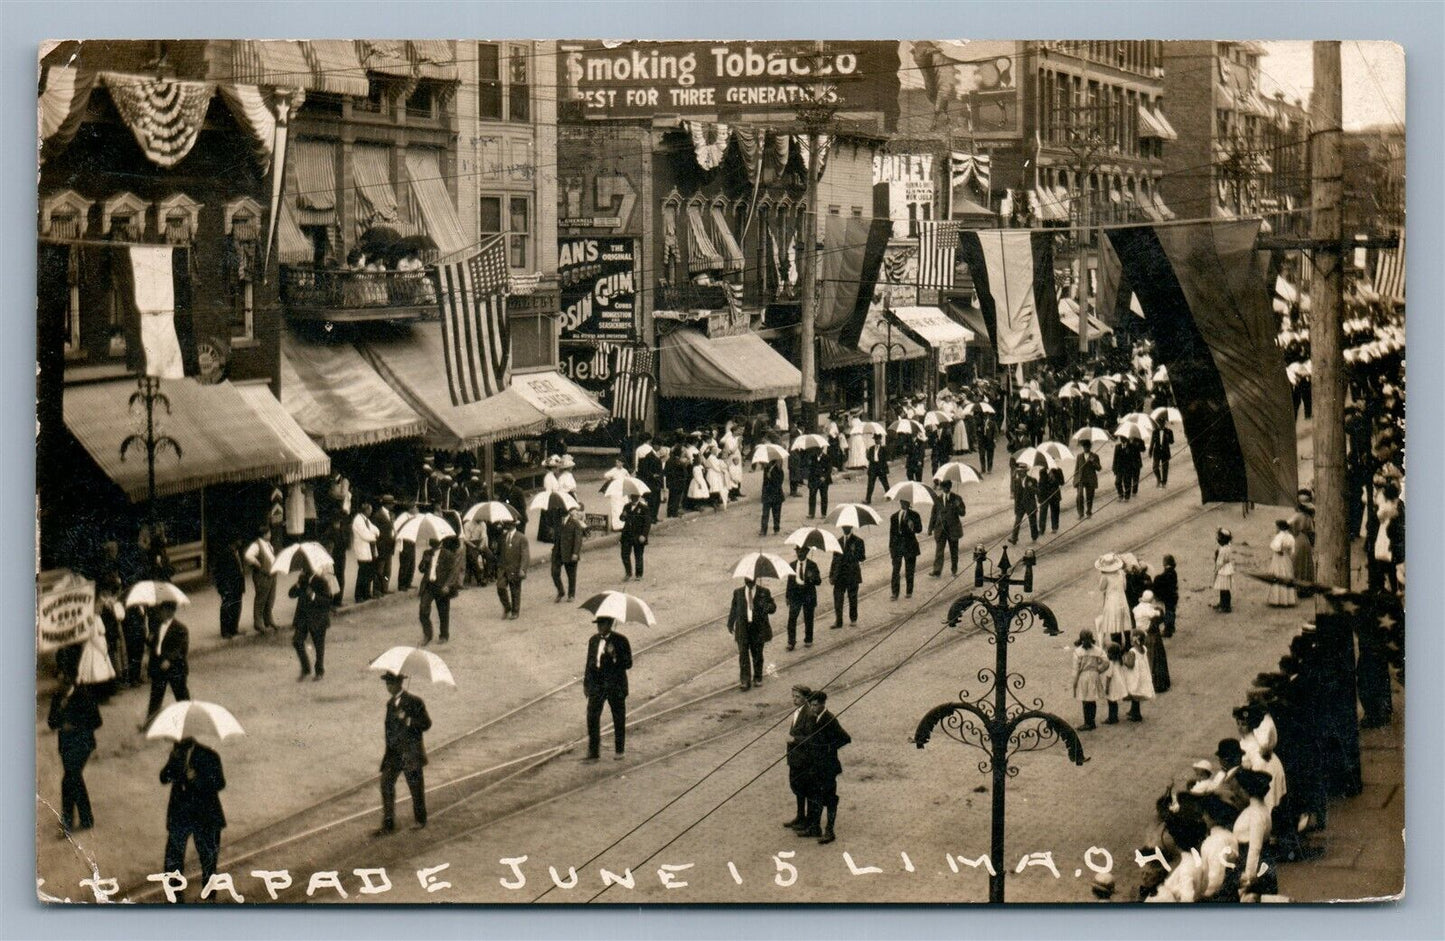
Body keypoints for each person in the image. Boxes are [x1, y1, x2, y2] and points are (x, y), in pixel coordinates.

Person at [159, 736, 226, 896]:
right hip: (181, 814)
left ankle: (209, 896)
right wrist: (171, 763)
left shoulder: (208, 755)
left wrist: (197, 778)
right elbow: (163, 778)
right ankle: (174, 895)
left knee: (208, 858)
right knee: (173, 856)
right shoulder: (176, 755)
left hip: (204, 815)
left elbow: (219, 783)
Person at [374, 671, 431, 834]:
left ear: (399, 683)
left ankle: (420, 819)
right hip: (394, 753)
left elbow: (426, 723)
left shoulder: (414, 701)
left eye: (391, 683)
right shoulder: (390, 704)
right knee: (386, 784)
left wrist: (408, 719)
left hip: (411, 753)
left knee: (415, 788)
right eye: (387, 683)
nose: (388, 687)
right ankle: (388, 823)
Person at [48, 674, 101, 835]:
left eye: (62, 682)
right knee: (73, 777)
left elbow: (97, 721)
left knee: (69, 779)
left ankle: (67, 822)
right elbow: (51, 723)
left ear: (70, 681)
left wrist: (75, 726)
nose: (59, 685)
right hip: (66, 746)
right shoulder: (58, 697)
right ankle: (86, 818)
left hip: (82, 744)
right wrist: (59, 712)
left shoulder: (83, 695)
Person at [798, 690, 851, 844]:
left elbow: (846, 738)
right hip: (815, 766)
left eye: (815, 705)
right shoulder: (814, 718)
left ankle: (830, 831)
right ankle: (815, 828)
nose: (812, 708)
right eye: (811, 705)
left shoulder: (829, 719)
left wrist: (828, 748)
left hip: (828, 767)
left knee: (829, 798)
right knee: (815, 796)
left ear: (823, 704)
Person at [583, 615, 632, 761]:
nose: (599, 627)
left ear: (610, 624)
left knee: (618, 717)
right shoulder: (594, 640)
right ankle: (593, 752)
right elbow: (589, 663)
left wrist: (614, 654)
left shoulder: (621, 640)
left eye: (602, 624)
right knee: (592, 716)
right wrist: (586, 683)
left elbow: (628, 663)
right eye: (598, 624)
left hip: (615, 684)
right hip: (597, 684)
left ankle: (619, 750)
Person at [143, 601, 189, 729]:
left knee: (181, 695)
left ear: (170, 612)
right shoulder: (156, 625)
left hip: (175, 668)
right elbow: (150, 643)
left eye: (162, 611)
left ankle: (187, 720)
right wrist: (149, 645)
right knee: (156, 696)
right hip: (158, 666)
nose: (160, 613)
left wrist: (169, 660)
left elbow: (181, 649)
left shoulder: (180, 628)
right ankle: (150, 723)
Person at [728, 576, 776, 691]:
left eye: (751, 579)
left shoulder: (764, 592)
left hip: (758, 628)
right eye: (747, 579)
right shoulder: (738, 592)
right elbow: (733, 609)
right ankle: (745, 681)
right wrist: (730, 623)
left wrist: (768, 607)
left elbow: (773, 607)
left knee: (757, 654)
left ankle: (758, 677)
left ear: (755, 579)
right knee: (743, 655)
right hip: (743, 629)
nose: (749, 581)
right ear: (744, 579)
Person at [418, 535, 464, 643]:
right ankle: (427, 635)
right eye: (431, 540)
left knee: (443, 612)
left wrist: (447, 585)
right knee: (423, 610)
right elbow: (421, 569)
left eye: (434, 540)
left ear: (440, 541)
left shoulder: (448, 555)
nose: (432, 541)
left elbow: (453, 573)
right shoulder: (427, 553)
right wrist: (425, 561)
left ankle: (443, 635)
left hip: (441, 586)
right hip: (429, 585)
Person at [290, 565, 333, 681]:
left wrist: (313, 596)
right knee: (297, 641)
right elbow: (291, 594)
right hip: (303, 616)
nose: (304, 571)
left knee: (319, 646)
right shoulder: (302, 580)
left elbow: (328, 601)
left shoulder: (321, 581)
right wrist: (298, 585)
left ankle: (319, 671)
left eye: (306, 569)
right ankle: (306, 668)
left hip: (318, 618)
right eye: (304, 569)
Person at [783, 684, 815, 830]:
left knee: (806, 788)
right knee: (797, 787)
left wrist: (794, 740)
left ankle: (808, 820)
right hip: (796, 757)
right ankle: (800, 816)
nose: (794, 700)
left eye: (797, 697)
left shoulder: (809, 713)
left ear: (806, 698)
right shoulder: (798, 711)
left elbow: (810, 738)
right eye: (793, 697)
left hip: (804, 758)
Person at [784, 545, 821, 650]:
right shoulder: (792, 565)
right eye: (798, 552)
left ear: (806, 553)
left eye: (802, 552)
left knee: (808, 618)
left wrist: (811, 577)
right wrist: (787, 596)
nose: (800, 554)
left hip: (808, 595)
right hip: (795, 595)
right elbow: (789, 582)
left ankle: (808, 639)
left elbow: (819, 581)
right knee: (792, 619)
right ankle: (791, 642)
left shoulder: (812, 565)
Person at [243, 525, 278, 634]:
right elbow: (248, 556)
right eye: (269, 533)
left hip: (271, 574)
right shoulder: (256, 545)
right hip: (262, 575)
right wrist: (257, 563)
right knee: (261, 598)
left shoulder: (269, 545)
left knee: (270, 598)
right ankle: (258, 622)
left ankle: (268, 619)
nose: (270, 535)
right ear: (264, 534)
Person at [830, 525, 866, 630]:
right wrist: (831, 575)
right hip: (839, 575)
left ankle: (853, 618)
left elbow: (862, 557)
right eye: (843, 527)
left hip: (852, 574)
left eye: (847, 527)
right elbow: (834, 559)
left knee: (852, 597)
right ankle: (838, 621)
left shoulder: (858, 541)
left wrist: (854, 552)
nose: (845, 529)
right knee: (838, 598)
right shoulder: (838, 541)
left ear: (851, 527)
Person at [928, 480, 966, 578]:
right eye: (944, 488)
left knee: (954, 551)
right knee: (939, 551)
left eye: (947, 488)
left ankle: (954, 570)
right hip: (940, 529)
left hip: (953, 529)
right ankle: (937, 570)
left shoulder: (957, 498)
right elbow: (934, 514)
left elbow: (962, 513)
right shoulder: (938, 499)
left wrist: (958, 506)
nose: (945, 490)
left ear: (950, 487)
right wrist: (930, 528)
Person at [1072, 628, 1108, 730]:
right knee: (1092, 700)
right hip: (1094, 675)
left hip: (1083, 677)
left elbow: (1076, 669)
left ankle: (1088, 723)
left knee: (1085, 700)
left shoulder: (1078, 652)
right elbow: (1106, 662)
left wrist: (1074, 683)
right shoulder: (1098, 650)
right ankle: (1091, 721)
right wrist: (1099, 670)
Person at [887, 497, 922, 600]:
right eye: (903, 501)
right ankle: (895, 593)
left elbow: (919, 529)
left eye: (906, 502)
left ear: (909, 502)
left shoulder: (914, 515)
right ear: (900, 502)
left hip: (910, 546)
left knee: (909, 570)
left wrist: (913, 527)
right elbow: (892, 534)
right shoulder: (894, 517)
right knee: (895, 571)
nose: (905, 503)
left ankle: (909, 591)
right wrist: (891, 547)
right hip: (897, 547)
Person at [1095, 553, 1132, 647]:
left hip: (1111, 601)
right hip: (1121, 598)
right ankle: (1128, 643)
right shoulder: (1121, 573)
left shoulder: (1105, 576)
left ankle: (1117, 645)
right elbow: (1124, 587)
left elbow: (1101, 588)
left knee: (1114, 624)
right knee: (1125, 621)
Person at [552, 505, 586, 602]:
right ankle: (561, 591)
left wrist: (575, 553)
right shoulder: (558, 522)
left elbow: (578, 540)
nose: (560, 513)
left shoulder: (575, 523)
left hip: (569, 552)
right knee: (554, 572)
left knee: (571, 574)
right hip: (558, 552)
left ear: (568, 512)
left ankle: (571, 594)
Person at [496, 521, 529, 620]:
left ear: (514, 525)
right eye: (506, 523)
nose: (507, 525)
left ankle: (515, 611)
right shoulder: (502, 537)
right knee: (500, 587)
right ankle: (507, 607)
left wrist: (522, 569)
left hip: (515, 567)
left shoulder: (521, 538)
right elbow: (499, 552)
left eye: (509, 523)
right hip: (503, 567)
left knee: (515, 590)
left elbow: (525, 555)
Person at [350, 500, 380, 603]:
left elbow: (375, 530)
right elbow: (365, 535)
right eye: (370, 510)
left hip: (369, 550)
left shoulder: (366, 520)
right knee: (362, 573)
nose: (371, 512)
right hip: (362, 550)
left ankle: (366, 593)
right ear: (365, 510)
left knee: (369, 573)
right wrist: (373, 535)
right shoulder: (358, 521)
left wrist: (374, 534)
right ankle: (358, 596)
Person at [1123, 630, 1155, 722]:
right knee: (1137, 692)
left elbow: (1130, 664)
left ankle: (1136, 715)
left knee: (1134, 693)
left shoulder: (1132, 651)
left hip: (1134, 675)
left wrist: (1124, 660)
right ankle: (1133, 710)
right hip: (1142, 674)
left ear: (1134, 640)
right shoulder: (1144, 648)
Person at [619, 491, 651, 581]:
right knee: (624, 554)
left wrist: (644, 535)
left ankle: (639, 574)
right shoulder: (627, 506)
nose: (633, 498)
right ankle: (628, 572)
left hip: (638, 535)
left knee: (638, 555)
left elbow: (647, 523)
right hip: (627, 535)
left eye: (635, 496)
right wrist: (623, 515)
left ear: (638, 497)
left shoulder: (644, 508)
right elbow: (622, 519)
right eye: (632, 496)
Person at [1266, 520, 1298, 607]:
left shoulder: (1279, 536)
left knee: (1277, 574)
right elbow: (1292, 550)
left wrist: (1279, 550)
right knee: (1287, 574)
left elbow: (1275, 546)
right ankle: (1288, 599)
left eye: (1276, 527)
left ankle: (1277, 600)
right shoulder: (1290, 537)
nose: (1276, 529)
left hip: (1278, 558)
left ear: (1280, 528)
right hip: (1286, 558)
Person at [1008, 464, 1039, 545]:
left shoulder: (1032, 480)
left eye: (1021, 472)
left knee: (1032, 522)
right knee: (1017, 522)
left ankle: (1034, 537)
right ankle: (1014, 538)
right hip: (1020, 505)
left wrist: (1030, 487)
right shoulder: (1016, 481)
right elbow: (1016, 496)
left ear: (1025, 472)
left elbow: (1037, 491)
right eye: (1018, 472)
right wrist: (1016, 507)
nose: (1019, 473)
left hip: (1030, 505)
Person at [1289, 491, 1316, 584]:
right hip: (1305, 541)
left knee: (1297, 563)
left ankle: (1297, 584)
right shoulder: (1308, 517)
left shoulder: (1295, 517)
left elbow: (1288, 528)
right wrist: (1313, 543)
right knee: (1306, 563)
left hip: (1297, 540)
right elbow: (1312, 532)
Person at [372, 495, 396, 595]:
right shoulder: (378, 516)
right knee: (379, 570)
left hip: (389, 546)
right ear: (387, 504)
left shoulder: (391, 515)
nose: (393, 506)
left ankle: (384, 587)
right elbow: (375, 532)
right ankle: (377, 589)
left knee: (387, 570)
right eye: (391, 504)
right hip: (382, 547)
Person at [637, 440, 665, 523]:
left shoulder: (657, 455)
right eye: (658, 445)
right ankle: (650, 518)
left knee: (657, 500)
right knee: (652, 500)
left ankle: (654, 516)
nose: (659, 447)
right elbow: (645, 470)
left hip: (657, 480)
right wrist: (652, 475)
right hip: (652, 481)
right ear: (654, 445)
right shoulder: (649, 456)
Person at [1073, 439, 1102, 519]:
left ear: (1090, 447)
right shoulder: (1079, 456)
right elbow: (1076, 469)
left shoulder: (1095, 456)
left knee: (1090, 497)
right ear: (1083, 447)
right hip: (1081, 479)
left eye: (1087, 446)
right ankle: (1080, 513)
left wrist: (1093, 462)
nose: (1086, 448)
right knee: (1079, 496)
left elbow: (1099, 468)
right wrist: (1075, 480)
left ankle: (1089, 511)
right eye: (1084, 447)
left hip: (1090, 479)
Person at [1153, 555, 1180, 637]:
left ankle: (1168, 630)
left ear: (1165, 563)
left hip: (1168, 597)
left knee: (1168, 613)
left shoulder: (1165, 574)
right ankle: (1171, 627)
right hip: (1173, 595)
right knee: (1171, 611)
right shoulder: (1173, 572)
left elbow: (1160, 580)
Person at [760, 457, 786, 536]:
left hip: (776, 495)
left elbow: (779, 483)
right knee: (765, 513)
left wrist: (771, 478)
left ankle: (776, 528)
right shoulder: (767, 469)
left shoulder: (780, 471)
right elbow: (764, 483)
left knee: (776, 513)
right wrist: (763, 493)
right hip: (768, 494)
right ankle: (763, 530)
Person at [1212, 528, 1235, 613]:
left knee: (1224, 589)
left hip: (1223, 569)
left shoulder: (1223, 550)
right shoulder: (1228, 546)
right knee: (1224, 588)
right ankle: (1222, 603)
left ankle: (1226, 606)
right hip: (1227, 568)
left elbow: (1220, 562)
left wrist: (1216, 569)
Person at [1039, 463, 1065, 534]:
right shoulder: (1042, 471)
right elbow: (1041, 484)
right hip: (1045, 495)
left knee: (1055, 511)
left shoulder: (1058, 470)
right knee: (1043, 512)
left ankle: (1055, 527)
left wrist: (1054, 478)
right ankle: (1041, 529)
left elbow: (1062, 482)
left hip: (1054, 495)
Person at [665, 445, 690, 518]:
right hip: (678, 482)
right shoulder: (678, 461)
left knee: (672, 497)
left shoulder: (669, 460)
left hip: (672, 482)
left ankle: (670, 513)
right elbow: (683, 472)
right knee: (676, 498)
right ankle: (674, 512)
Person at [864, 434, 890, 503]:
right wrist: (867, 455)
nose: (876, 440)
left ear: (880, 440)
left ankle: (889, 495)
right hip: (873, 466)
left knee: (884, 482)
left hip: (881, 467)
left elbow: (887, 457)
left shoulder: (884, 448)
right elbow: (869, 458)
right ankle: (868, 499)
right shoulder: (871, 448)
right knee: (870, 484)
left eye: (878, 439)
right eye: (875, 439)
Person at [807, 450, 832, 519]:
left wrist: (824, 476)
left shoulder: (827, 457)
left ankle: (823, 513)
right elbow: (810, 469)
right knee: (812, 495)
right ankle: (811, 513)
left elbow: (829, 469)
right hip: (814, 480)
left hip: (823, 481)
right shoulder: (812, 457)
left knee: (824, 496)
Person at [1149, 422, 1175, 487]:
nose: (1161, 425)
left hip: (1165, 452)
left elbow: (1172, 442)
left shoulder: (1169, 431)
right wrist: (1150, 451)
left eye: (1162, 423)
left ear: (1164, 423)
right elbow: (1152, 442)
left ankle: (1164, 482)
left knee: (1165, 468)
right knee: (1155, 467)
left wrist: (1168, 438)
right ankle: (1158, 479)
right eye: (1159, 424)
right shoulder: (1155, 432)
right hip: (1157, 452)